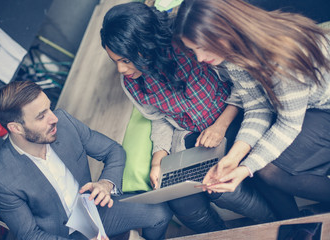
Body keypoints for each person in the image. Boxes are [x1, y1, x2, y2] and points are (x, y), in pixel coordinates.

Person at [100, 2, 275, 233]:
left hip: (233, 115)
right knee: (181, 201)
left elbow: (242, 86)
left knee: (219, 188)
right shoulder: (132, 81)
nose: (121, 70)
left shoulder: (191, 48)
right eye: (116, 62)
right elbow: (159, 118)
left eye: (126, 59)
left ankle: (274, 222)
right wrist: (158, 159)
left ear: (146, 44)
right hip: (191, 137)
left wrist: (220, 126)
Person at [174, 0, 330, 220]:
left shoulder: (280, 57)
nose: (200, 58)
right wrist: (233, 159)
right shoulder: (231, 56)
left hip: (324, 107)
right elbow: (257, 107)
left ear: (225, 29)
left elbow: (289, 124)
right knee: (257, 166)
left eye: (203, 46)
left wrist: (246, 166)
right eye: (193, 50)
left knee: (265, 169)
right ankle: (295, 225)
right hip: (309, 108)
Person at [0, 80, 173, 240]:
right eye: (41, 116)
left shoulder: (63, 122)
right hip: (61, 235)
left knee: (160, 214)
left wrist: (106, 184)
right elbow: (30, 234)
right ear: (16, 128)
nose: (53, 118)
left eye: (49, 108)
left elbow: (113, 150)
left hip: (96, 209)